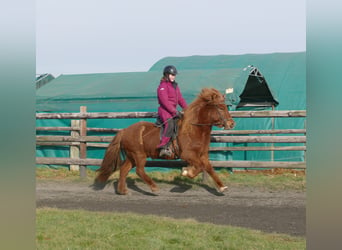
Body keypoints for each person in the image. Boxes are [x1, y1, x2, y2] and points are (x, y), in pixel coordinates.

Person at [156, 65, 188, 157]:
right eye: (172, 74)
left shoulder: (175, 86)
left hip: (173, 110)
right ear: (166, 75)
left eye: (174, 75)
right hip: (165, 110)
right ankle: (163, 147)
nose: (173, 76)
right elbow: (164, 101)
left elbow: (180, 99)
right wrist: (174, 111)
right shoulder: (163, 86)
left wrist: (187, 109)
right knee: (169, 123)